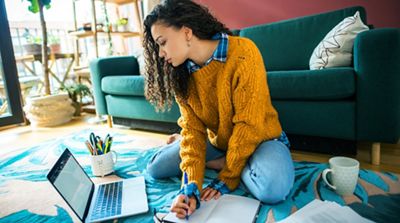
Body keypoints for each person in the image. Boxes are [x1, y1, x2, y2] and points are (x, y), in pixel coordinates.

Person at [143, 0, 294, 219]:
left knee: (273, 189)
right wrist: (190, 187)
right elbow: (194, 131)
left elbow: (248, 125)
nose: (160, 53)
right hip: (219, 141)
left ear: (186, 32)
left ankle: (230, 162)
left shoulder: (243, 53)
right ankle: (223, 158)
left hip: (261, 138)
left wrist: (227, 176)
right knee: (155, 168)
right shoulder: (180, 75)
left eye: (162, 42)